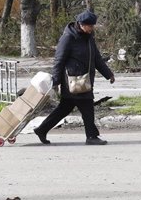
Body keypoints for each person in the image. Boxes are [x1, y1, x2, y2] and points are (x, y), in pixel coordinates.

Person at [34, 10, 115, 145]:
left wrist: (108, 74)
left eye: (93, 26)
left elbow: (97, 58)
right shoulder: (68, 38)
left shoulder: (89, 38)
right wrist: (56, 80)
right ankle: (91, 137)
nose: (92, 28)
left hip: (84, 80)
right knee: (87, 107)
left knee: (64, 108)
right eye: (90, 26)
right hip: (73, 81)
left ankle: (42, 129)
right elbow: (59, 60)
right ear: (81, 24)